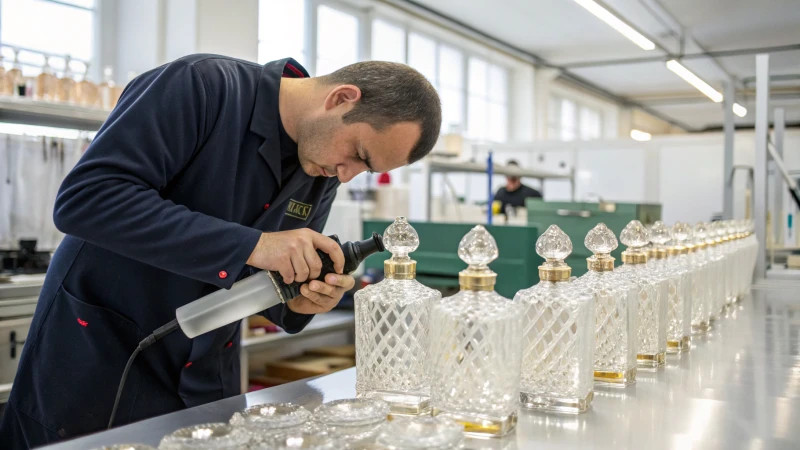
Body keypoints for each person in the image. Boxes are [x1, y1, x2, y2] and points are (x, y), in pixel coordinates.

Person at [0, 55, 441, 449]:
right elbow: (88, 199)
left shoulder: (321, 166)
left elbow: (271, 285)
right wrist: (255, 245)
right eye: (358, 155)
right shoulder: (202, 87)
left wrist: (303, 299)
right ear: (341, 98)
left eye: (365, 169)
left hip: (206, 383)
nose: (346, 176)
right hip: (98, 362)